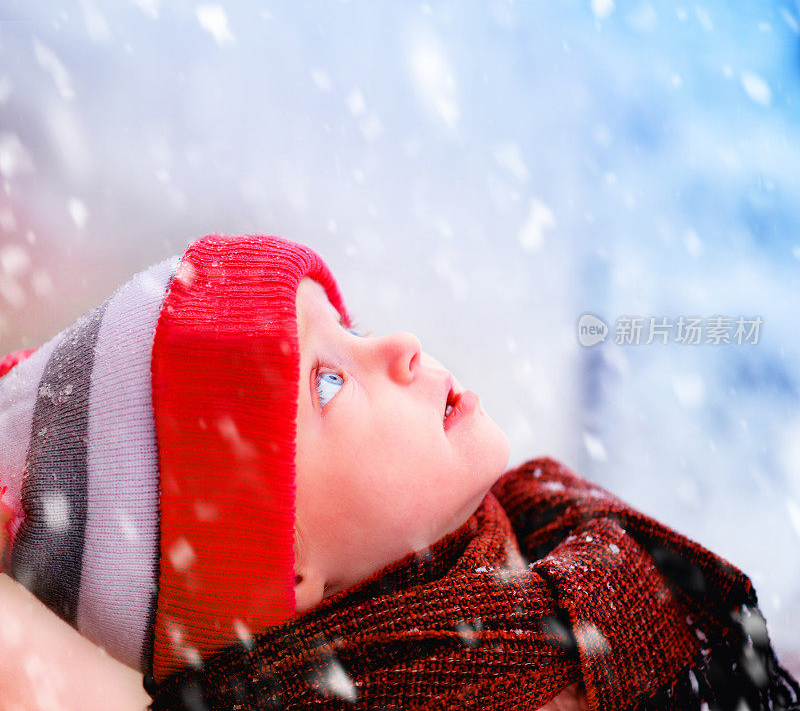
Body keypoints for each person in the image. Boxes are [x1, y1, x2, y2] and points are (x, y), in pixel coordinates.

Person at [0, 233, 797, 711]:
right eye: (327, 381)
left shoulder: (540, 549)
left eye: (351, 329)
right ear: (285, 564)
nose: (401, 347)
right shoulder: (528, 669)